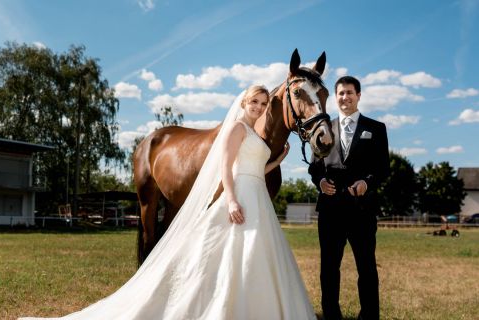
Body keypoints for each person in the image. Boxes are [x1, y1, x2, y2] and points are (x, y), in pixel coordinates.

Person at [20, 85, 317, 319]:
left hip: (256, 197)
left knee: (254, 254)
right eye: (254, 102)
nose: (258, 107)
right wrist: (231, 200)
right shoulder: (237, 128)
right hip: (239, 197)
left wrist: (276, 159)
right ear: (243, 103)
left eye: (263, 104)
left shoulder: (253, 133)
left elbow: (249, 169)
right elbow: (225, 168)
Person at [308, 76, 390, 320]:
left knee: (366, 267)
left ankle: (369, 315)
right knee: (329, 268)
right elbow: (314, 168)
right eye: (341, 93)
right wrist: (320, 182)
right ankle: (331, 314)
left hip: (362, 210)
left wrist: (367, 182)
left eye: (350, 93)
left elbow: (383, 168)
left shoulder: (376, 129)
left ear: (359, 96)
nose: (345, 97)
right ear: (336, 97)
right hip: (330, 212)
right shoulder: (324, 129)